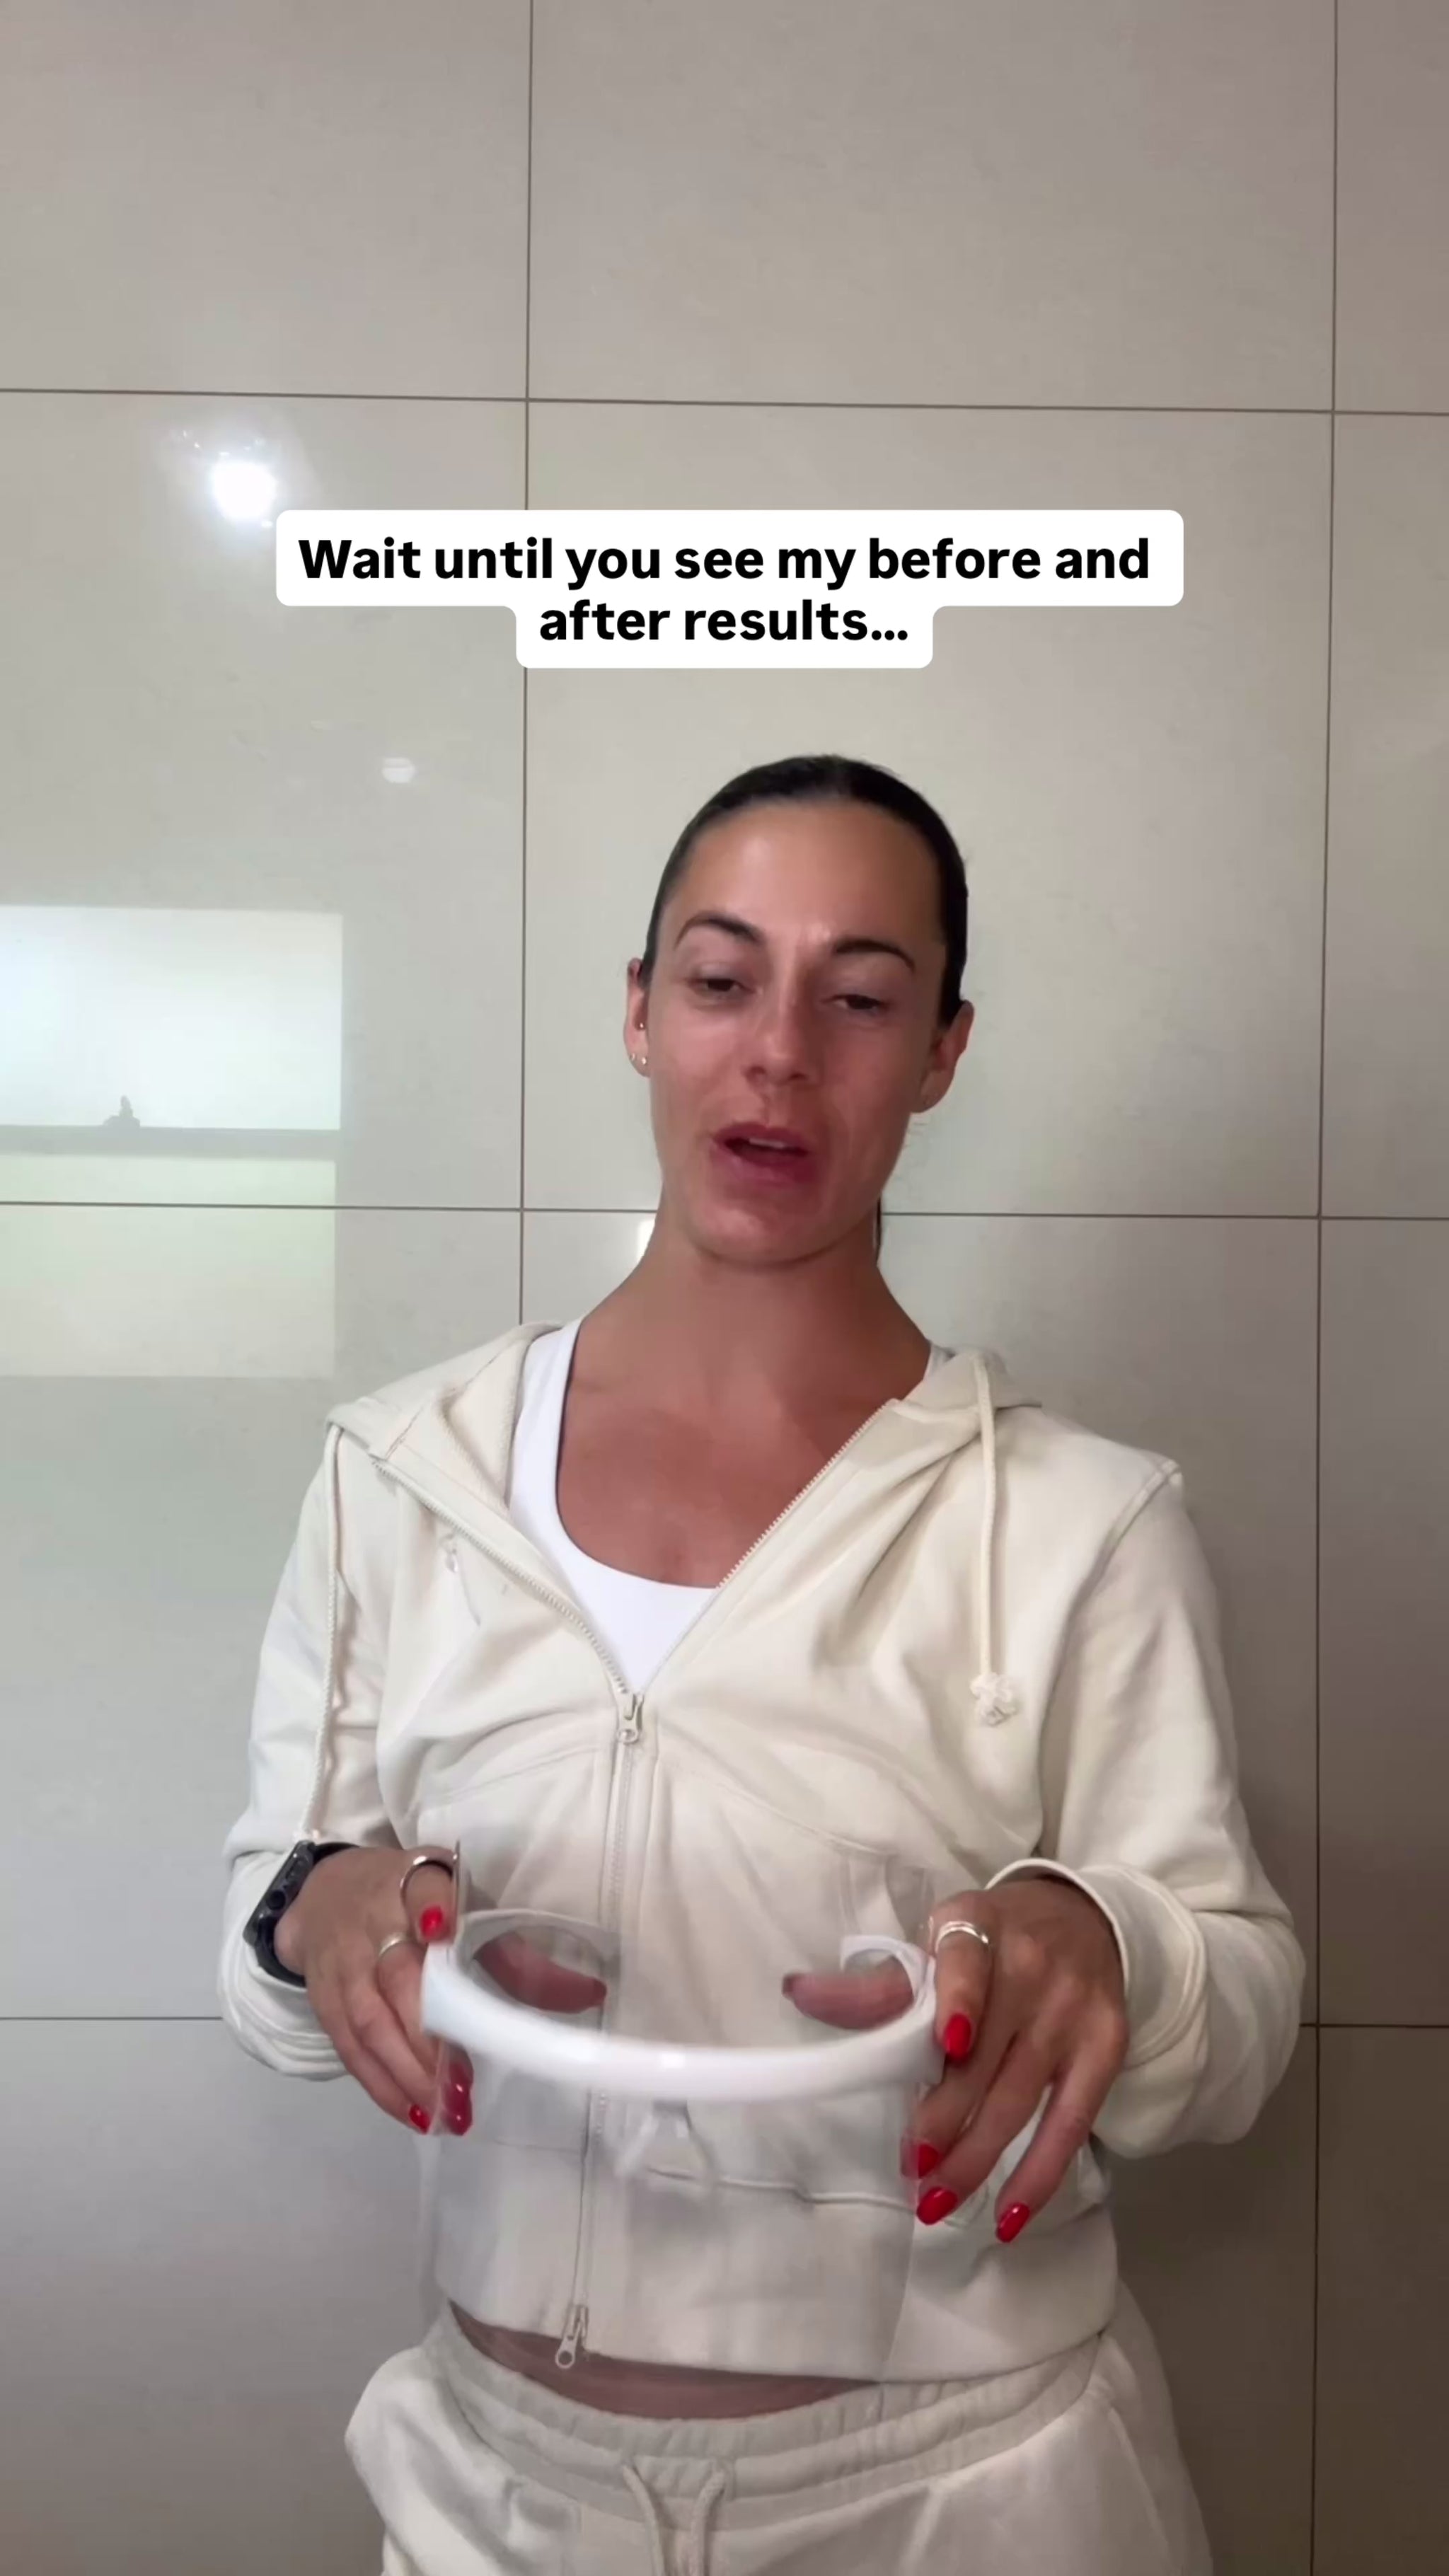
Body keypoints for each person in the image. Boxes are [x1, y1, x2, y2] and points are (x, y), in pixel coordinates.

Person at [220, 752, 1303, 2575]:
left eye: (860, 998)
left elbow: (1241, 2008)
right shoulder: (404, 1473)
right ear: (640, 1014)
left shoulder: (1077, 1519)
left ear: (944, 1051)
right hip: (498, 2499)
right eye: (723, 980)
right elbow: (270, 1936)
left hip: (967, 2498)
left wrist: (1101, 1942)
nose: (781, 1052)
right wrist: (322, 1912)